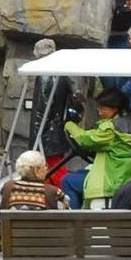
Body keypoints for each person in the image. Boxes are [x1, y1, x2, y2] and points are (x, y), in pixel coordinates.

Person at [60, 89, 131, 209]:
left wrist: (69, 125)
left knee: (67, 180)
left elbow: (84, 139)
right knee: (79, 174)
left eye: (103, 108)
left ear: (114, 109)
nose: (99, 112)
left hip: (109, 182)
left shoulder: (110, 129)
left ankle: (73, 220)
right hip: (129, 176)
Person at [27, 39, 76, 186]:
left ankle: (58, 195)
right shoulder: (63, 73)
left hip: (47, 131)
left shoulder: (45, 75)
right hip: (57, 127)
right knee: (54, 166)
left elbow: (44, 108)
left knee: (50, 168)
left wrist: (37, 135)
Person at [0, 150, 65, 211]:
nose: (47, 168)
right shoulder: (54, 192)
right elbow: (67, 217)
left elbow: (1, 213)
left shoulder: (7, 187)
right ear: (36, 170)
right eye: (45, 166)